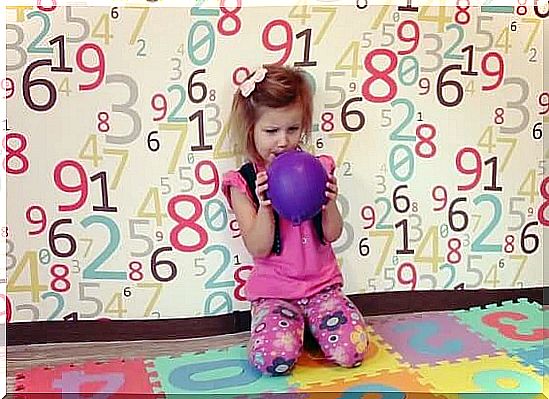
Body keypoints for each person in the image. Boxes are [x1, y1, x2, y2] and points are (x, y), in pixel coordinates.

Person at [221, 64, 368, 376]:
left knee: (353, 351)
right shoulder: (244, 182)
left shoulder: (318, 168)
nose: (283, 141)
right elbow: (259, 248)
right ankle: (289, 327)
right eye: (271, 131)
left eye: (293, 129)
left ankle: (313, 325)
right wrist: (265, 206)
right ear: (252, 130)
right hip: (275, 294)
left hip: (322, 289)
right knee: (273, 361)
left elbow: (332, 234)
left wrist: (328, 203)